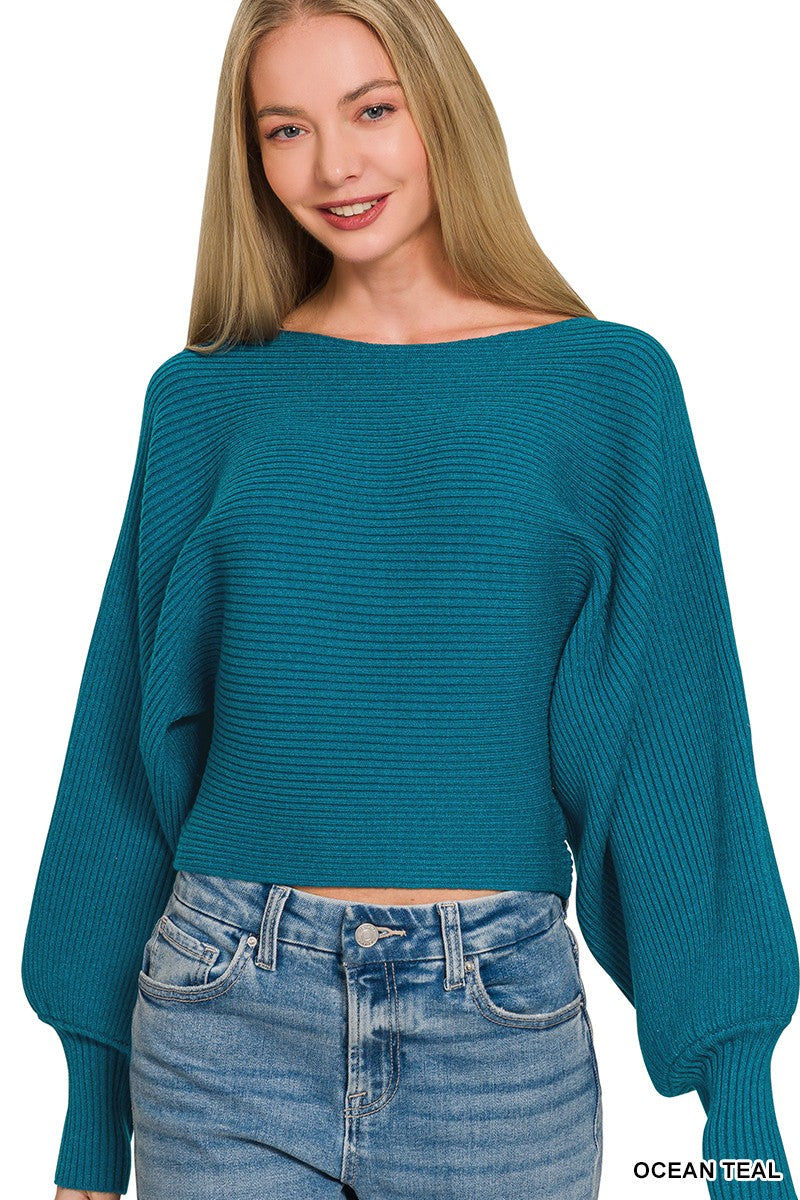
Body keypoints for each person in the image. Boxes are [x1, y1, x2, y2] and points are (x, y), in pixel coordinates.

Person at [21, 1, 798, 1198]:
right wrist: (91, 1105)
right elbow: (123, 752)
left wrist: (736, 1106)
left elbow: (666, 745)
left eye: (370, 110)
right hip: (221, 1013)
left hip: (493, 1031)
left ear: (442, 107)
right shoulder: (204, 402)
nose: (334, 166)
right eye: (285, 130)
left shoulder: (605, 389)